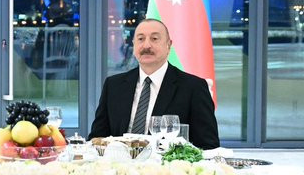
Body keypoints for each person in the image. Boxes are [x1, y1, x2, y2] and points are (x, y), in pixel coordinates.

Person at [88, 18, 220, 149]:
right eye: (140, 39)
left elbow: (209, 145)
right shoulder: (114, 85)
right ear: (133, 45)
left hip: (168, 162)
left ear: (168, 45)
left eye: (154, 39)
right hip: (119, 161)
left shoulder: (194, 87)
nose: (146, 45)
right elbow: (97, 138)